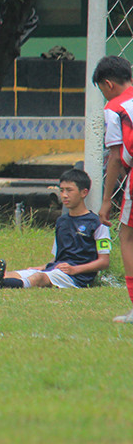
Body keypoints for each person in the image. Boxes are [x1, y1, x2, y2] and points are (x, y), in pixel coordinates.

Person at [0, 169, 111, 290]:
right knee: (12, 274)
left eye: (69, 190)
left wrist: (76, 269)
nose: (64, 195)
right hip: (56, 270)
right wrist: (40, 266)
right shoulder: (62, 221)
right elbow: (57, 258)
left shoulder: (97, 223)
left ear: (84, 193)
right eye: (61, 190)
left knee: (38, 278)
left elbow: (104, 262)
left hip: (76, 277)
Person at [93, 55, 133, 323]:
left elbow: (116, 157)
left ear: (108, 84)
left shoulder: (115, 107)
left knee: (127, 237)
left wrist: (107, 199)